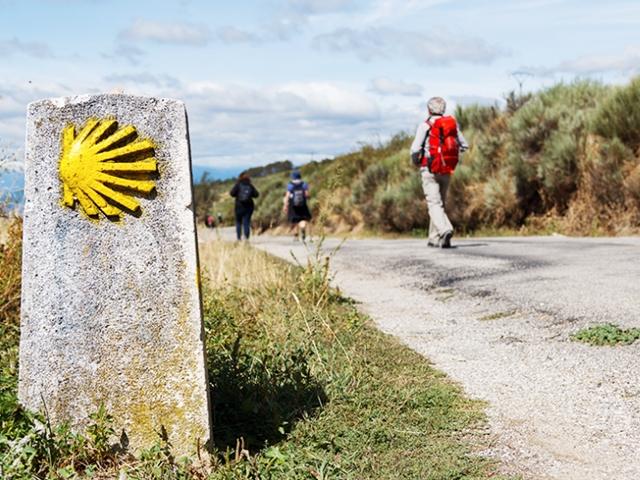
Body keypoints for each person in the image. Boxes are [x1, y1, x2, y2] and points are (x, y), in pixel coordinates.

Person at [410, 96, 468, 248]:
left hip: (429, 170)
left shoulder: (425, 125)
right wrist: (450, 156)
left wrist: (416, 161)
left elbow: (415, 149)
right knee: (439, 204)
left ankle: (444, 230)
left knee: (434, 204)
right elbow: (464, 145)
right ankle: (433, 238)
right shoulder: (451, 125)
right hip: (447, 169)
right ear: (443, 109)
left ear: (429, 109)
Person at [283, 170, 311, 241]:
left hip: (293, 206)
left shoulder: (290, 185)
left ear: (292, 177)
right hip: (303, 205)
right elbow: (307, 195)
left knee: (294, 220)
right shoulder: (304, 184)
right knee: (302, 219)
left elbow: (287, 196)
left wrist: (285, 205)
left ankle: (296, 236)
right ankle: (302, 228)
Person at [229, 172, 259, 241]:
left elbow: (231, 193)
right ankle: (246, 238)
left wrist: (237, 195)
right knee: (246, 222)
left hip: (239, 206)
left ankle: (239, 238)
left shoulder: (238, 185)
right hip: (248, 207)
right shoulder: (250, 186)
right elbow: (256, 195)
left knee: (238, 222)